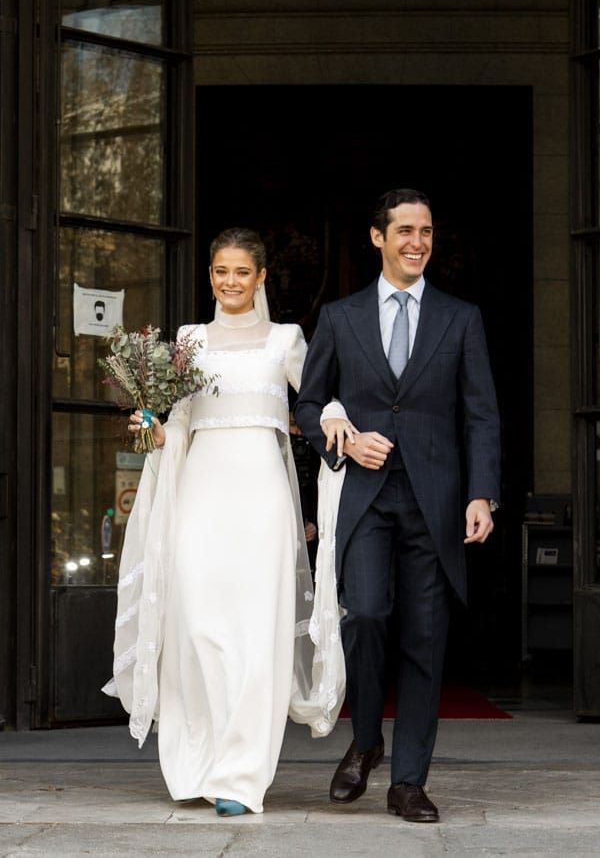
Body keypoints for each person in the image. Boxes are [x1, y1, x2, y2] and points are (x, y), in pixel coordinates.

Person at [103, 228, 346, 817]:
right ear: (210, 276)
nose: (230, 281)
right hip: (200, 494)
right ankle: (198, 761)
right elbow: (181, 423)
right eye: (220, 271)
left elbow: (317, 400)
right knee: (198, 629)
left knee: (255, 634)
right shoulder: (189, 340)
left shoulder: (287, 339)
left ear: (260, 277)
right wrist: (152, 429)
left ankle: (240, 775)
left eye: (241, 271)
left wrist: (338, 416)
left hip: (261, 497)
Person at [294, 189, 501, 823]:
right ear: (378, 237)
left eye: (427, 232)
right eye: (405, 231)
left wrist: (481, 494)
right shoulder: (339, 316)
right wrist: (344, 440)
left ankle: (408, 780)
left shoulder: (461, 317)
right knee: (367, 616)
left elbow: (481, 414)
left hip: (437, 502)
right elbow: (306, 406)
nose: (418, 242)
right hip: (365, 498)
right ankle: (364, 740)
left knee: (425, 638)